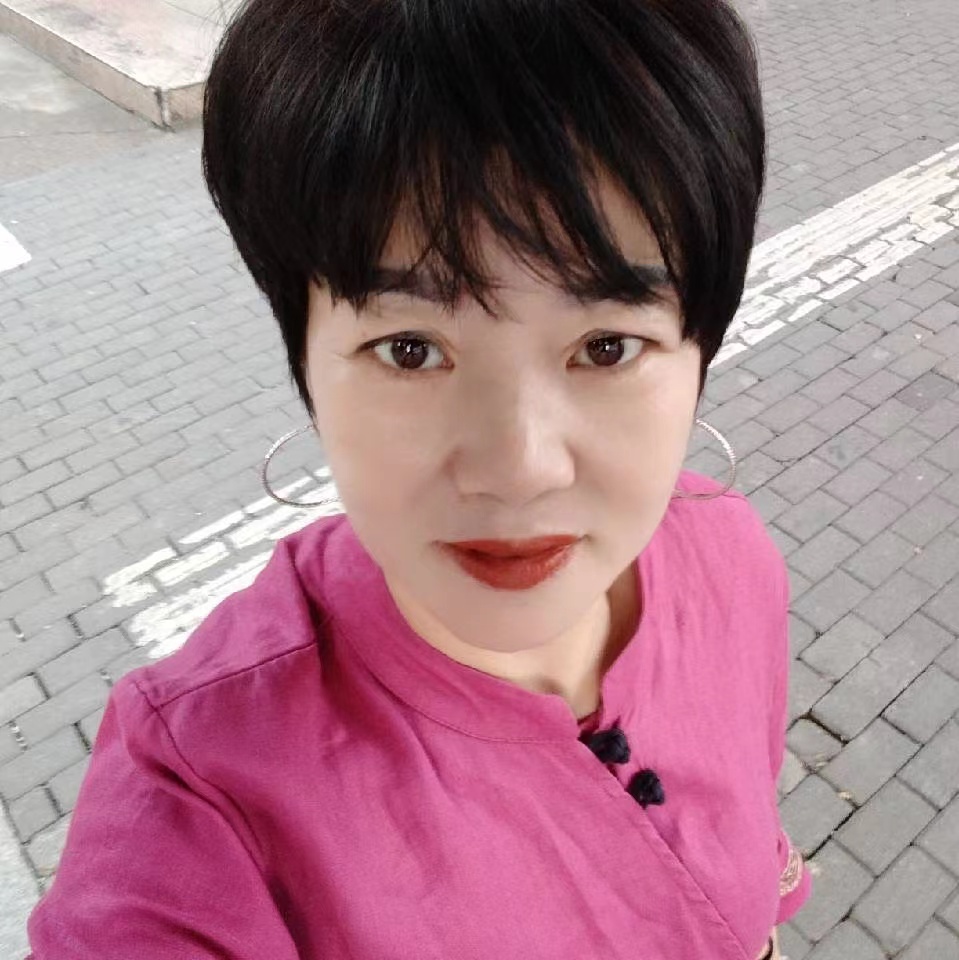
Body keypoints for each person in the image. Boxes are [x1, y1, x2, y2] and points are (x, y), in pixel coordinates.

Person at [25, 0, 811, 957]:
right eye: (409, 348)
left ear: (699, 347)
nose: (516, 472)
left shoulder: (731, 560)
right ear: (305, 359)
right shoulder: (201, 794)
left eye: (607, 346)